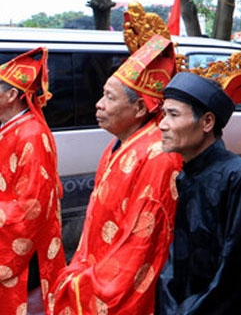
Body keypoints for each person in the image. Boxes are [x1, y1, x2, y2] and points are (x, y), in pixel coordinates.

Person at [53, 35, 183, 314]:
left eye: (110, 97)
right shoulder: (119, 143)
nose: (99, 104)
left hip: (115, 284)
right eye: (103, 94)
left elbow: (141, 242)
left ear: (139, 108)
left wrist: (90, 283)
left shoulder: (158, 156)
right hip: (93, 267)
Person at [156, 72, 241, 314]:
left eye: (173, 115)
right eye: (164, 113)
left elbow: (238, 271)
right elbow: (176, 257)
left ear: (207, 122)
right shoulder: (186, 175)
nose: (162, 124)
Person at [0, 48, 65, 315]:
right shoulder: (10, 127)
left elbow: (32, 204)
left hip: (23, 245)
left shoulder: (31, 135)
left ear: (11, 95)